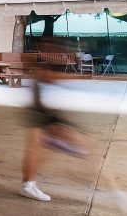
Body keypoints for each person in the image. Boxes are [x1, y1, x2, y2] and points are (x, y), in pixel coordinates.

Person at [19, 64, 89, 202]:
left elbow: (49, 77)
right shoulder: (44, 63)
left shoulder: (45, 63)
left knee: (37, 149)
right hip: (37, 111)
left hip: (41, 111)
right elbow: (49, 77)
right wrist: (81, 76)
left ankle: (28, 183)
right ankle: (27, 185)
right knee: (34, 149)